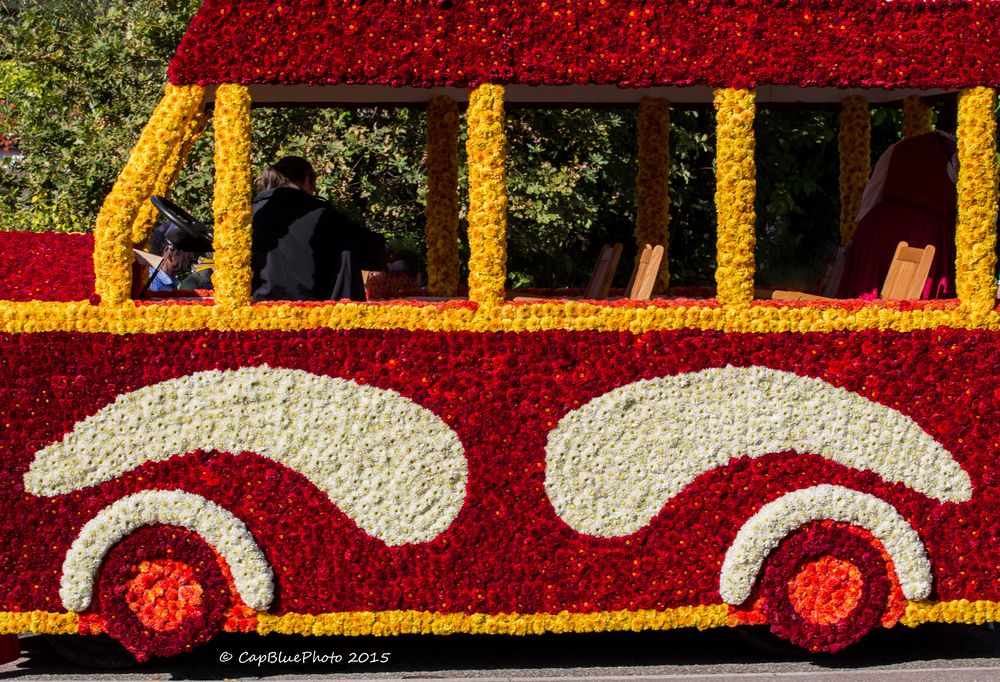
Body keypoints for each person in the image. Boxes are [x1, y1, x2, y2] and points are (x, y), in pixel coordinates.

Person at [838, 103, 958, 299]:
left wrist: (860, 238)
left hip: (879, 228)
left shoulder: (899, 147)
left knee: (867, 300)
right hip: (926, 234)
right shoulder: (961, 156)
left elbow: (872, 195)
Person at [251, 156, 387, 301]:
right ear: (307, 179)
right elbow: (371, 246)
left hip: (258, 310)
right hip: (311, 311)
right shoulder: (320, 213)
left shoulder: (251, 214)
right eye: (313, 184)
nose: (314, 190)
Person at [146, 220, 192, 292]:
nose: (191, 255)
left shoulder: (170, 281)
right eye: (187, 250)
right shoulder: (150, 286)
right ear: (169, 253)